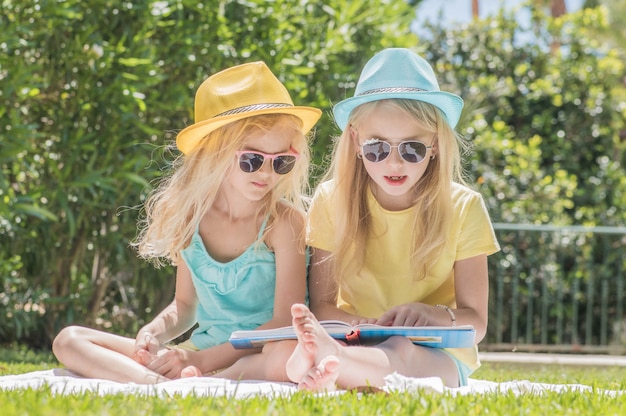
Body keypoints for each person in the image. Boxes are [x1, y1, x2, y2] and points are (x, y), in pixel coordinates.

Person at [52, 61, 322, 384]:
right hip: (201, 352)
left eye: (281, 162)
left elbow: (283, 322)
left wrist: (201, 360)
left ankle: (189, 380)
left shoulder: (284, 222)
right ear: (215, 154)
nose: (266, 173)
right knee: (69, 340)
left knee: (288, 353)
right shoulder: (192, 219)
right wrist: (153, 332)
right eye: (252, 160)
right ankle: (159, 385)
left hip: (260, 354)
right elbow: (184, 307)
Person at [285, 48, 500, 391]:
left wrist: (431, 315)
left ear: (435, 144)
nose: (394, 164)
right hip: (355, 338)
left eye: (412, 149)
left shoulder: (464, 206)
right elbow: (324, 306)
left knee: (401, 348)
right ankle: (332, 362)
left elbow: (477, 322)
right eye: (377, 149)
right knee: (335, 347)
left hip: (437, 354)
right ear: (355, 141)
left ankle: (328, 364)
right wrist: (363, 325)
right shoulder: (331, 199)